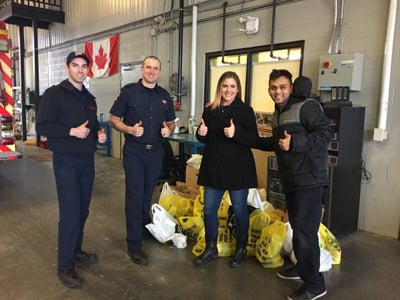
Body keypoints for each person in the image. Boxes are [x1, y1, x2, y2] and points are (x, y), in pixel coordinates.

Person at [251, 70, 333, 300]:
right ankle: (302, 268)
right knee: (297, 229)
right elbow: (276, 143)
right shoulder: (278, 114)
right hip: (293, 180)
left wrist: (295, 141)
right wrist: (243, 137)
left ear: (291, 87)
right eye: (273, 88)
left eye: (282, 87)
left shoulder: (306, 107)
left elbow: (326, 133)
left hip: (309, 179)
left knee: (305, 234)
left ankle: (315, 285)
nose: (278, 91)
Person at [36, 51, 107, 288]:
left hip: (87, 161)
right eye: (75, 65)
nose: (79, 69)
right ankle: (65, 267)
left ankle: (76, 250)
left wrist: (99, 133)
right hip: (65, 161)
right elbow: (42, 126)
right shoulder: (54, 95)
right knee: (70, 214)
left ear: (88, 70)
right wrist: (71, 132)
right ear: (67, 67)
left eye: (83, 66)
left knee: (83, 211)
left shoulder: (89, 98)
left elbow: (94, 124)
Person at [109, 56, 176, 266]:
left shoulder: (164, 96)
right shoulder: (128, 92)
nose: (151, 71)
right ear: (142, 69)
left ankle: (143, 227)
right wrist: (130, 129)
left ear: (159, 71)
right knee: (134, 196)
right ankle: (134, 244)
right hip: (135, 152)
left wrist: (169, 130)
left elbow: (172, 123)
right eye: (148, 67)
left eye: (155, 68)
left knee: (147, 194)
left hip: (156, 152)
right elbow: (113, 119)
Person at [193, 71, 258, 268]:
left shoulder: (245, 111)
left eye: (232, 86)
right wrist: (200, 133)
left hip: (238, 168)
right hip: (214, 167)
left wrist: (236, 133)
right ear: (219, 88)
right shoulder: (210, 110)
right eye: (225, 86)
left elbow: (253, 139)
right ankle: (211, 248)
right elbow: (204, 138)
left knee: (239, 210)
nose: (228, 90)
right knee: (209, 210)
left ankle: (241, 248)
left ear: (237, 89)